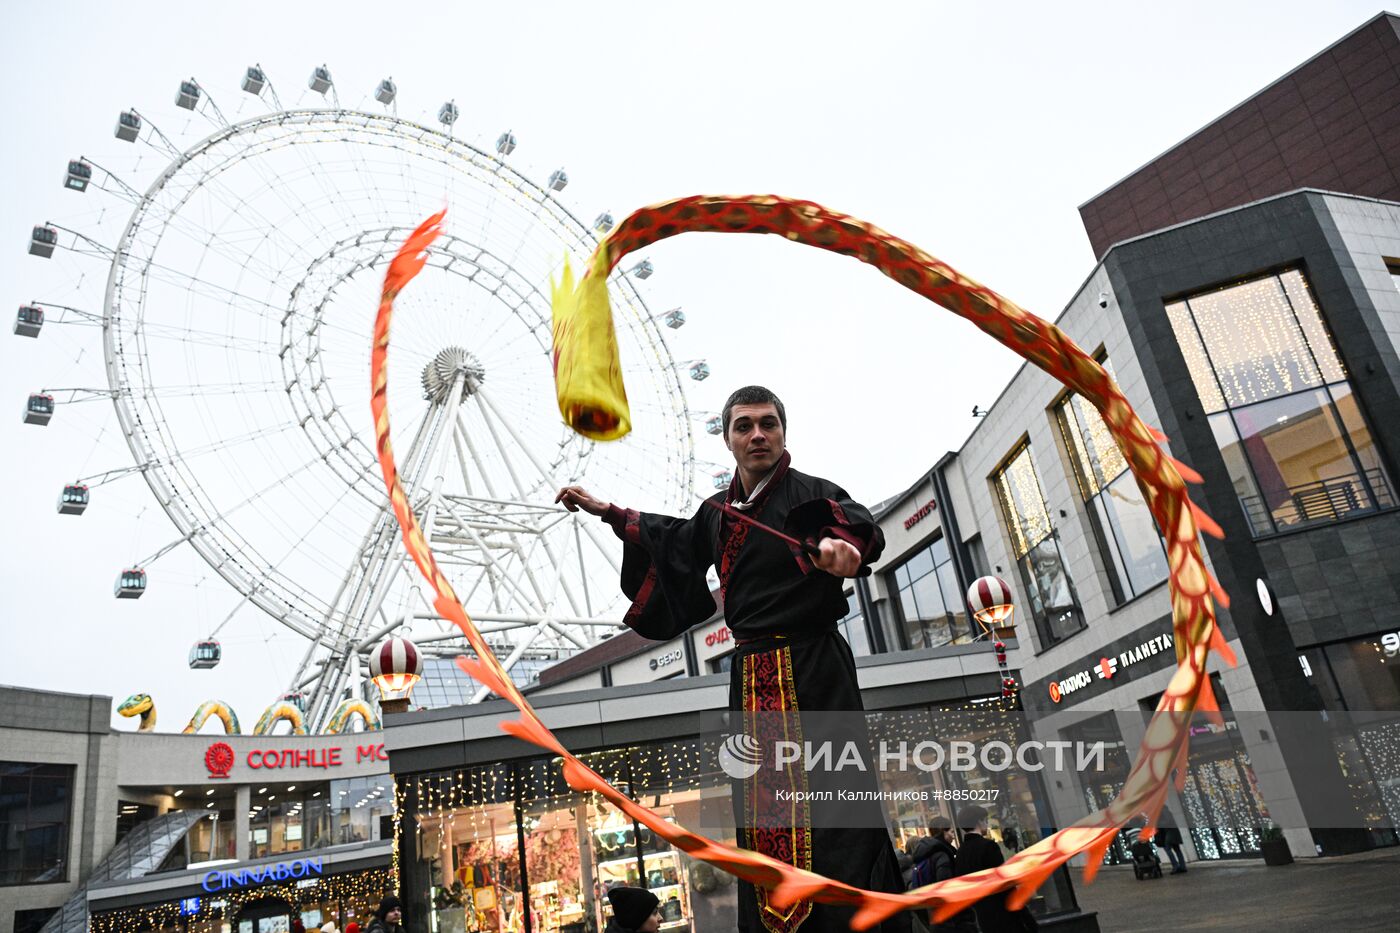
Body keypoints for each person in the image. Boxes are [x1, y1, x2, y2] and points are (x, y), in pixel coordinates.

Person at [558, 385, 907, 933]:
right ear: (728, 440)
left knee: (837, 808)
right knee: (768, 815)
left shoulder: (814, 494)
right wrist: (609, 512)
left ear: (784, 432)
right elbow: (672, 540)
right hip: (753, 677)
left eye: (769, 423)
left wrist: (848, 550)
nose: (758, 435)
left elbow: (855, 529)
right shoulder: (717, 513)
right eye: (744, 426)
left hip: (815, 669)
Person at [954, 805, 1037, 933]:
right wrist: (1026, 918)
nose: (987, 824)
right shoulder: (988, 846)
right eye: (985, 820)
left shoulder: (960, 853)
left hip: (982, 917)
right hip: (1003, 913)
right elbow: (1004, 884)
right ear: (979, 821)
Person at [1156, 806, 1187, 874]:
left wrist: (1158, 823)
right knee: (1177, 849)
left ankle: (1176, 866)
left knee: (1168, 848)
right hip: (1171, 832)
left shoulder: (1163, 810)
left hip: (1170, 832)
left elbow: (1168, 821)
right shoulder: (1164, 810)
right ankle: (1182, 866)